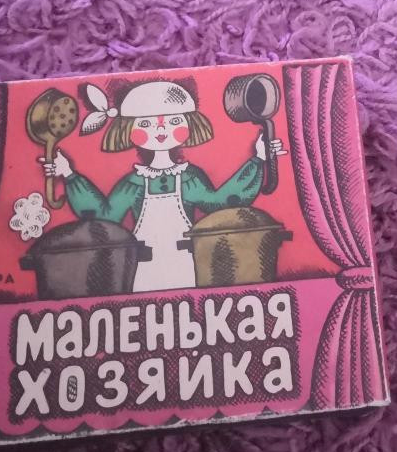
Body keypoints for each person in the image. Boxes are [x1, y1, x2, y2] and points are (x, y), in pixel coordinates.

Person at [41, 79, 285, 292]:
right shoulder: (134, 183)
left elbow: (221, 203)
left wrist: (258, 159)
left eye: (173, 121)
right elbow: (105, 216)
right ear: (129, 130)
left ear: (189, 126)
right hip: (143, 265)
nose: (160, 130)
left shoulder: (189, 177)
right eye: (146, 124)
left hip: (187, 262)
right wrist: (69, 175)